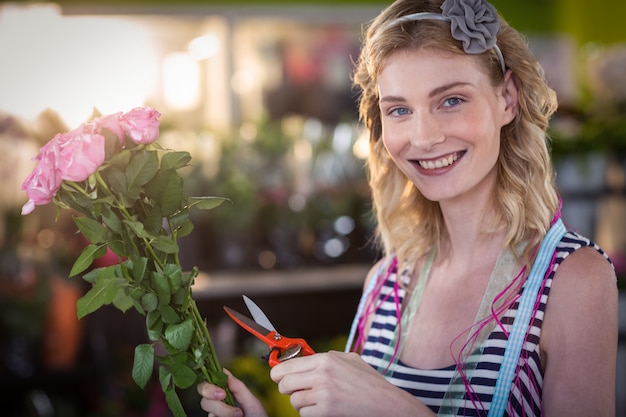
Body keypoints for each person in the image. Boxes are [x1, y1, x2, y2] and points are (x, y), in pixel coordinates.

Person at [198, 0, 619, 415]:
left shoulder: (574, 280)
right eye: (399, 109)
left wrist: (392, 405)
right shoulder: (386, 284)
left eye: (451, 100)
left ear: (507, 98)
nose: (423, 136)